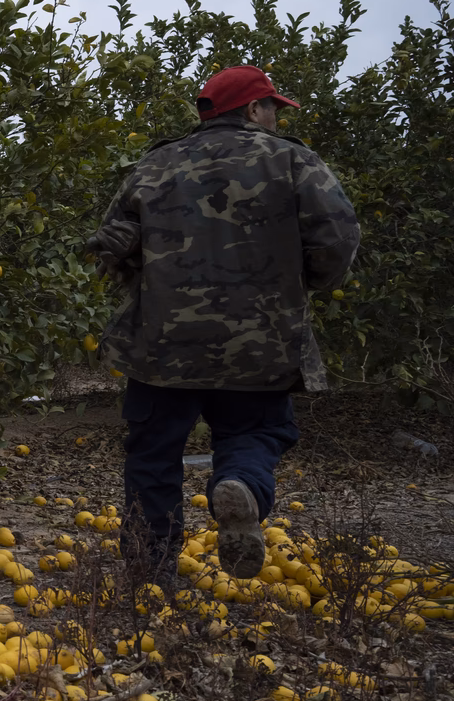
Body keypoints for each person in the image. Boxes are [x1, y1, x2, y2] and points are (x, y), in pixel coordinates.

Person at [86, 65, 360, 582]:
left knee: (153, 454)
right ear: (254, 110)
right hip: (260, 342)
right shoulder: (292, 161)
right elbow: (338, 238)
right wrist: (298, 286)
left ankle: (151, 575)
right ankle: (239, 484)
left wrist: (148, 277)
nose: (276, 118)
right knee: (256, 429)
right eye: (273, 108)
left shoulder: (154, 165)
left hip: (164, 345)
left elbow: (112, 246)